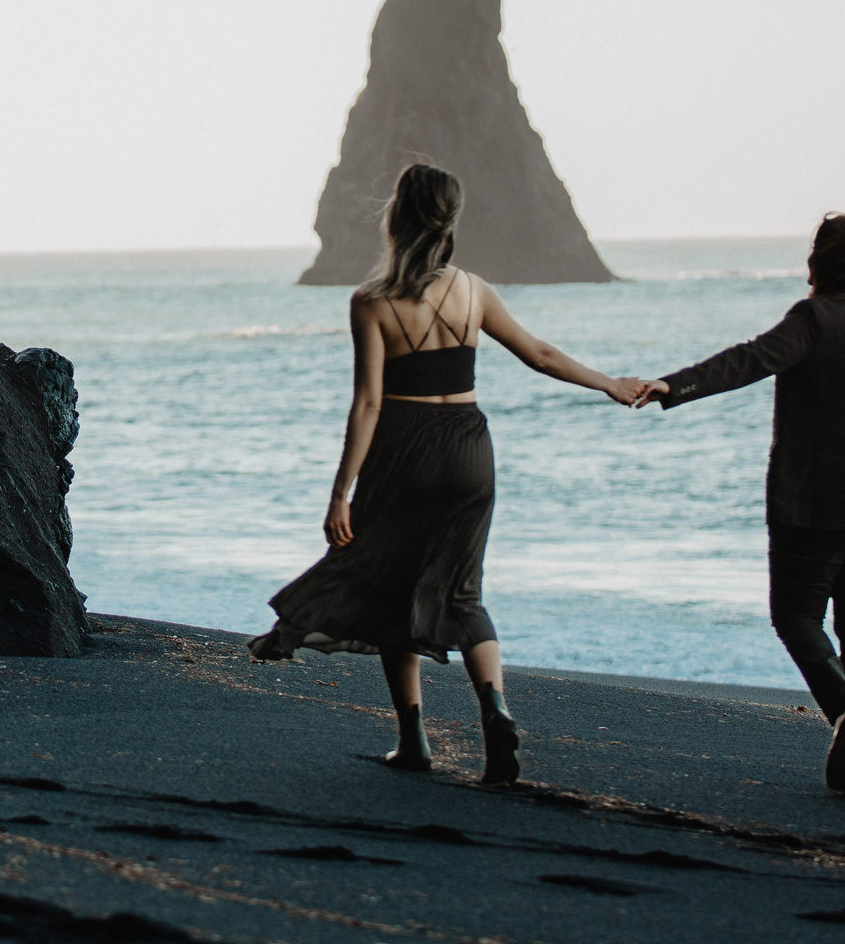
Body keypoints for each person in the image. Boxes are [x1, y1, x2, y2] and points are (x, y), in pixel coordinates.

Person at [251, 163, 655, 785]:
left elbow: (367, 404)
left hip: (403, 453)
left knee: (391, 590)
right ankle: (494, 710)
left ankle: (413, 741)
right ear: (450, 221)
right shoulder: (474, 290)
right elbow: (540, 354)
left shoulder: (372, 302)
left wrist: (341, 494)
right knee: (464, 593)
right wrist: (609, 383)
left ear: (397, 217)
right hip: (469, 448)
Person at [644, 209, 845, 793]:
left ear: (817, 262)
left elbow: (749, 360)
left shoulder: (815, 319)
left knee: (796, 617)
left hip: (816, 503)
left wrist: (673, 386)